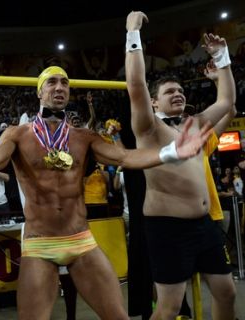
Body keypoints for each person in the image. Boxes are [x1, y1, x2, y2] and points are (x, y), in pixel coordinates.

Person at [0, 65, 211, 320]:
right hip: (40, 242)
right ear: (39, 92)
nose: (60, 87)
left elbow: (126, 158)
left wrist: (172, 152)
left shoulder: (84, 136)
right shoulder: (17, 134)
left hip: (80, 239)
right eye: (52, 82)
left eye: (65, 83)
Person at [125, 11, 236, 320]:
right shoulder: (148, 129)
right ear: (155, 103)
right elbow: (135, 85)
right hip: (168, 228)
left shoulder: (193, 125)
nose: (178, 94)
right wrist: (132, 32)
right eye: (169, 91)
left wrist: (222, 56)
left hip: (204, 225)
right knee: (169, 307)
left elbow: (226, 101)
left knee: (227, 293)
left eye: (180, 90)